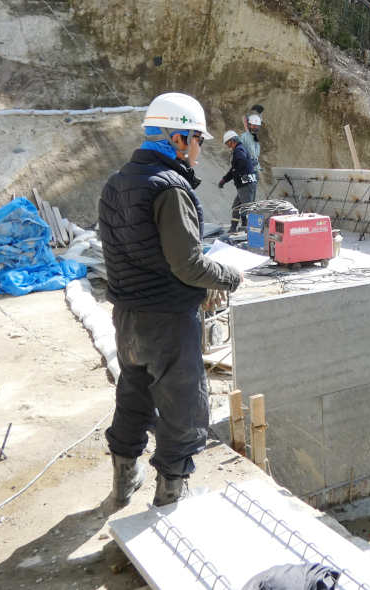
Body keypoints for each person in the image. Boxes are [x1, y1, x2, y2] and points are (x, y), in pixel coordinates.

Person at [98, 92, 243, 508]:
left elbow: (127, 253)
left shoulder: (116, 183)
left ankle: (124, 481)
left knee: (133, 395)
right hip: (168, 320)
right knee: (183, 407)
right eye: (197, 140)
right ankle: (170, 495)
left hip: (127, 318)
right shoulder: (170, 189)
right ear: (178, 139)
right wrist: (229, 276)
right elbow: (187, 264)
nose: (200, 150)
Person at [219, 130, 257, 233]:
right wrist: (224, 179)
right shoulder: (239, 150)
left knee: (248, 208)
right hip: (243, 185)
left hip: (246, 184)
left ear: (231, 141)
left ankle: (252, 231)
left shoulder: (238, 150)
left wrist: (243, 174)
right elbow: (234, 170)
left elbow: (243, 162)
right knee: (237, 206)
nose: (228, 146)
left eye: (227, 143)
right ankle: (233, 228)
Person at [238, 112, 262, 187]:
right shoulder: (244, 137)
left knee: (248, 195)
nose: (255, 127)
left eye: (257, 125)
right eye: (253, 125)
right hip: (246, 172)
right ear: (249, 125)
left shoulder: (255, 139)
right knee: (247, 194)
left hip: (255, 171)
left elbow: (256, 156)